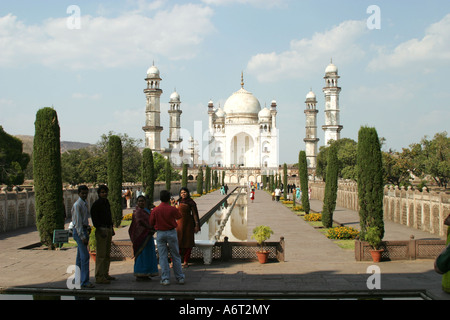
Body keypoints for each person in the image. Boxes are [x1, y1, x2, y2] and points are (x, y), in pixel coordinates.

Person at [150, 190, 185, 286]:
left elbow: (151, 222)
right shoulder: (172, 209)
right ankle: (180, 277)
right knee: (176, 256)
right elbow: (179, 216)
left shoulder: (155, 210)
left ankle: (165, 279)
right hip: (171, 233)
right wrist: (174, 206)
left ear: (160, 198)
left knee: (163, 257)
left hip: (160, 233)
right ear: (169, 198)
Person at [129, 195, 158, 281]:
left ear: (145, 202)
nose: (141, 202)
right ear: (137, 202)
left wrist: (152, 228)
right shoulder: (137, 212)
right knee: (141, 255)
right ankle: (140, 274)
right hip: (141, 237)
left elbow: (151, 221)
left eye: (142, 201)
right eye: (139, 201)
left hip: (147, 237)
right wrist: (150, 228)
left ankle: (146, 273)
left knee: (148, 255)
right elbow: (138, 224)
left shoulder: (146, 211)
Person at [90, 185, 115, 284]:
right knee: (101, 254)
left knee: (107, 254)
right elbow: (95, 218)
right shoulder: (96, 204)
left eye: (105, 192)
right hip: (101, 230)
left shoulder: (106, 202)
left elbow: (108, 216)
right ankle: (99, 276)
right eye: (102, 192)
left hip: (108, 228)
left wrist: (111, 228)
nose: (104, 194)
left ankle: (105, 273)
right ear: (99, 193)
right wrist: (100, 229)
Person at [71, 185, 94, 288]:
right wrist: (82, 236)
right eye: (82, 193)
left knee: (80, 258)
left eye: (86, 193)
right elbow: (77, 223)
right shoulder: (77, 205)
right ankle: (85, 281)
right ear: (79, 193)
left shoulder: (84, 203)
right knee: (85, 257)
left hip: (84, 229)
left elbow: (84, 219)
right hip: (79, 231)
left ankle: (78, 279)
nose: (84, 195)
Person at [175, 187, 200, 268]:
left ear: (188, 193)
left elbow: (195, 214)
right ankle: (174, 261)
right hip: (179, 224)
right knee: (177, 243)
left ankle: (185, 261)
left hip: (188, 224)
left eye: (185, 192)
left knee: (188, 243)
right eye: (182, 193)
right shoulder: (178, 202)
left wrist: (196, 225)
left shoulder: (191, 202)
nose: (183, 194)